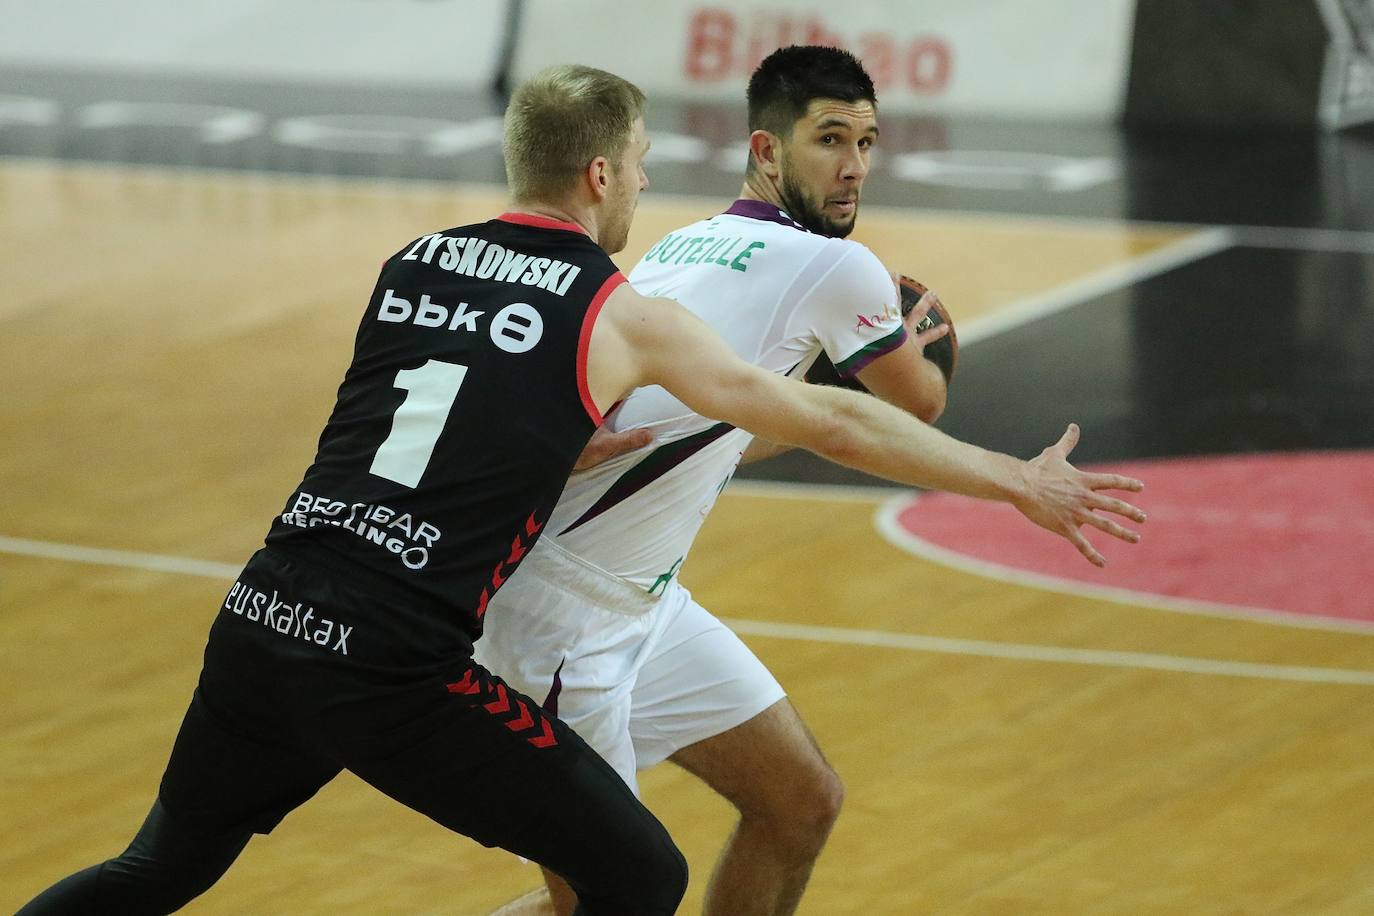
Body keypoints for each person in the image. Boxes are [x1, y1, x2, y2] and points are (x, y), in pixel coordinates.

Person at [19, 59, 1143, 915]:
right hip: (433, 646)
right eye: (641, 164)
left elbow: (428, 423)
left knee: (156, 868)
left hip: (270, 603)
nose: (648, 183)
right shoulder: (616, 309)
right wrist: (1014, 479)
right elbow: (839, 415)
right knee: (627, 883)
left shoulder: (415, 261)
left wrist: (555, 443)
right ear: (601, 174)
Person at [477, 46, 1141, 916]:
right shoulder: (836, 267)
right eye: (830, 140)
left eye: (866, 142)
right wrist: (1016, 476)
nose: (854, 166)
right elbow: (911, 403)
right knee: (606, 902)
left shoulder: (683, 244)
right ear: (766, 150)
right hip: (564, 616)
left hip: (636, 602)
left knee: (798, 802)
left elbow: (706, 436)